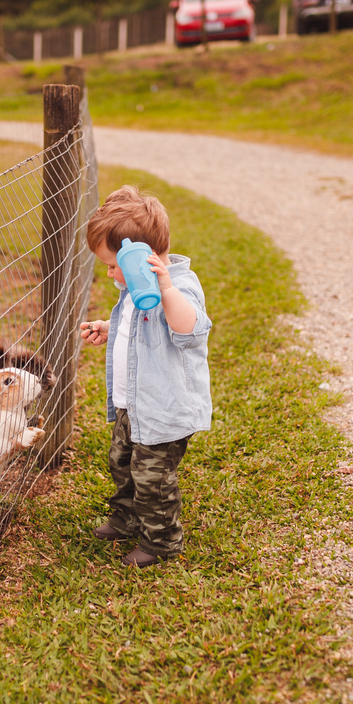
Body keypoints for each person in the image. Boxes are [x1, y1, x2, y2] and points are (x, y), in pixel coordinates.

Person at [79, 185, 212, 568]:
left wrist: (166, 288)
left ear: (138, 258)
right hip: (132, 404)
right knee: (121, 461)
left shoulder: (179, 288)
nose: (108, 274)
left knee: (152, 477)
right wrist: (109, 327)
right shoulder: (132, 288)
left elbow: (189, 330)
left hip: (163, 411)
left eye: (110, 265)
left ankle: (162, 540)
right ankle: (127, 516)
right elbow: (137, 327)